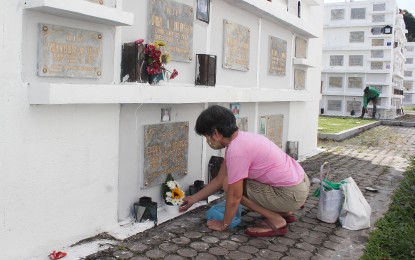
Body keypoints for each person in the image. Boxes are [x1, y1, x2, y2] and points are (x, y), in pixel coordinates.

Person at [179, 105, 310, 237]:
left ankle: (276, 220)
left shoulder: (236, 151)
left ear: (216, 133)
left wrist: (225, 223)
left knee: (229, 185)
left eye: (207, 136)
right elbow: (219, 178)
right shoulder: (241, 139)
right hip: (299, 185)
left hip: (290, 195)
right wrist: (194, 199)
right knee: (229, 180)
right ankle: (285, 212)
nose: (208, 141)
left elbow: (234, 195)